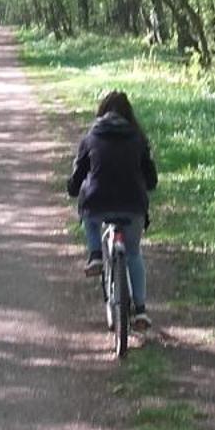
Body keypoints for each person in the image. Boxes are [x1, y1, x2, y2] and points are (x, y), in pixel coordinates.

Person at [67, 90, 158, 331]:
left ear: (101, 111)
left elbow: (77, 178)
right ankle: (140, 310)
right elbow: (151, 179)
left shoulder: (91, 136)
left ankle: (96, 253)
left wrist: (73, 188)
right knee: (133, 254)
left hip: (98, 203)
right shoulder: (138, 138)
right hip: (132, 206)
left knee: (89, 210)